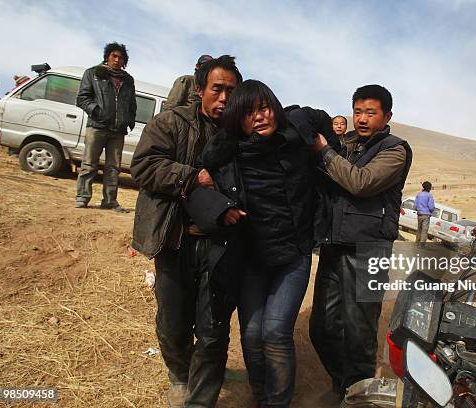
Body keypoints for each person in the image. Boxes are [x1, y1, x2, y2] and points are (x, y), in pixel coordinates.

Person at [186, 79, 339, 408]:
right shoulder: (228, 154)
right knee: (252, 335)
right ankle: (261, 395)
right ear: (238, 121)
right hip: (252, 259)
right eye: (249, 113)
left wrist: (328, 147)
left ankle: (278, 402)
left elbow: (324, 119)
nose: (259, 116)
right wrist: (220, 208)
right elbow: (197, 190)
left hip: (293, 255)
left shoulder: (296, 135)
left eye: (264, 108)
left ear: (275, 107)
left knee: (274, 332)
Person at [130, 55, 242, 408]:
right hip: (175, 238)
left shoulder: (241, 134)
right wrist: (192, 177)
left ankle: (201, 397)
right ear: (199, 89)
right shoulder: (170, 123)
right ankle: (180, 376)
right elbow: (143, 166)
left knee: (212, 329)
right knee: (174, 321)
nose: (224, 98)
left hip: (221, 246)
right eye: (217, 89)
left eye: (231, 91)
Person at [310, 84, 412, 398]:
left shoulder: (395, 149)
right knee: (322, 327)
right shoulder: (346, 143)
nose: (362, 119)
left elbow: (361, 182)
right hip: (334, 244)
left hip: (369, 250)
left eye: (371, 112)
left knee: (359, 330)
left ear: (387, 116)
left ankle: (356, 395)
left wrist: (324, 151)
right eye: (357, 111)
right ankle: (343, 384)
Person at [75, 42, 137, 211]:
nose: (117, 60)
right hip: (97, 126)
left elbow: (132, 103)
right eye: (114, 56)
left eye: (121, 57)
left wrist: (129, 120)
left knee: (113, 168)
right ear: (107, 57)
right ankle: (82, 197)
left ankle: (109, 201)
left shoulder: (128, 79)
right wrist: (97, 111)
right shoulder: (93, 73)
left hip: (118, 131)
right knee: (89, 164)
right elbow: (82, 98)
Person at [413, 181, 435, 248]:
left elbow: (415, 206)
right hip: (426, 215)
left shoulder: (419, 195)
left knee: (419, 229)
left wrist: (419, 210)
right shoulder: (429, 195)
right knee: (424, 230)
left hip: (419, 214)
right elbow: (431, 206)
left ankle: (416, 243)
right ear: (429, 188)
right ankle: (421, 245)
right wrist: (431, 211)